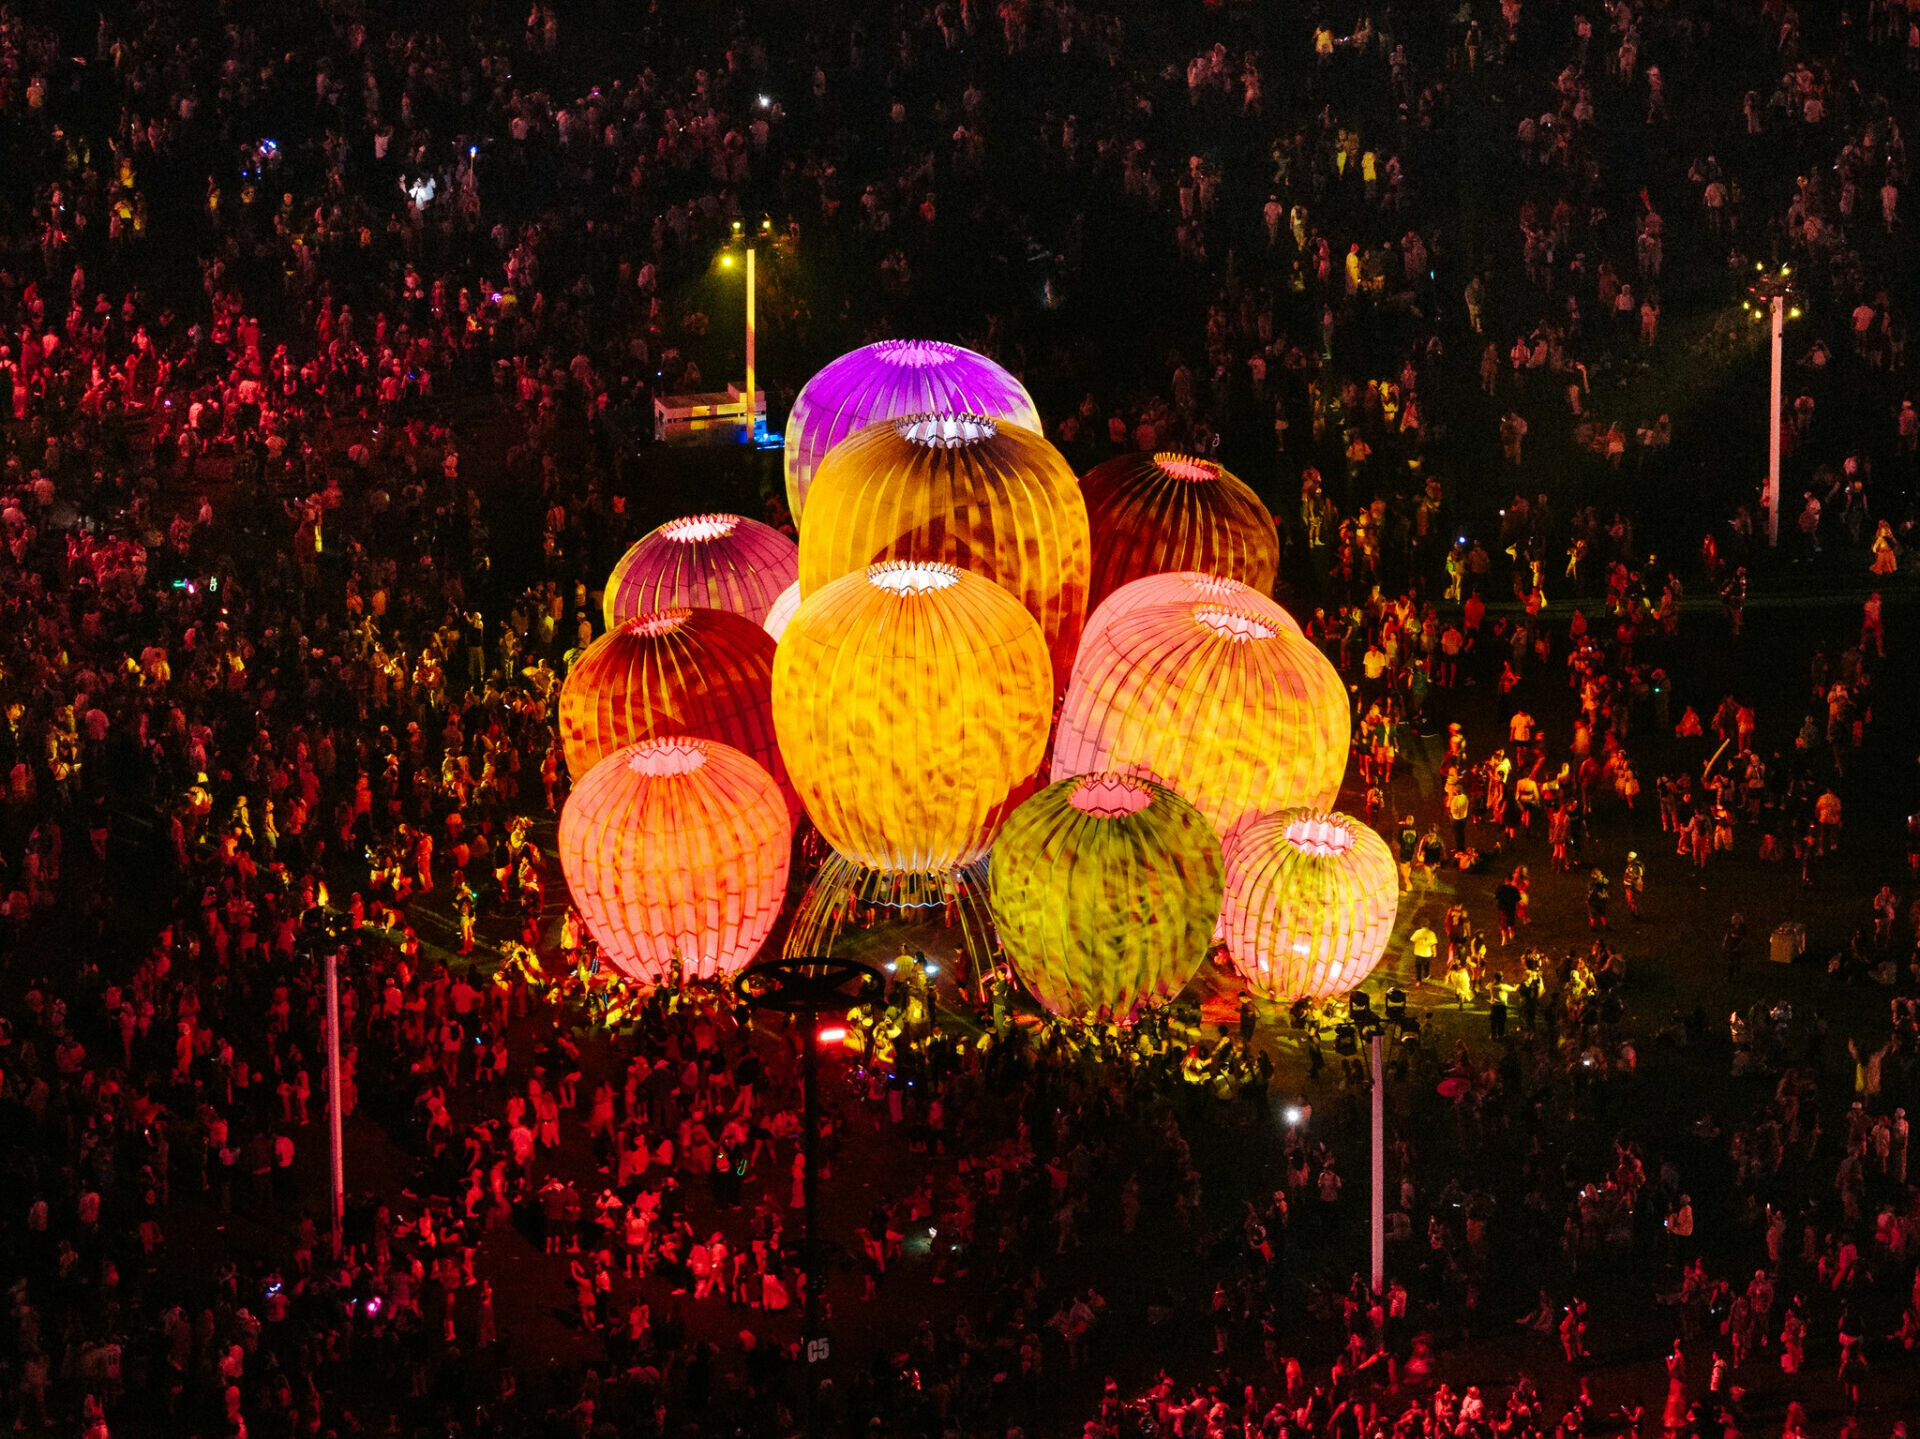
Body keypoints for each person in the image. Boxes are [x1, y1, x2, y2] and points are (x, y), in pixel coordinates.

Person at [1621, 852, 1645, 920]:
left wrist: (1631, 883)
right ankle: (1634, 913)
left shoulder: (1635, 867)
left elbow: (1635, 876)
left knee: (1634, 900)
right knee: (1631, 900)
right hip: (1629, 885)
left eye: (1630, 858)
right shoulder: (1631, 865)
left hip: (1633, 886)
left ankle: (1636, 914)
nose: (1628, 859)